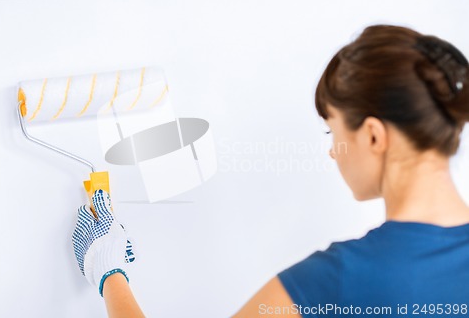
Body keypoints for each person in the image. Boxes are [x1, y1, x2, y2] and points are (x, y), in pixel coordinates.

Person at [71, 24, 469, 317]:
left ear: (373, 137)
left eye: (333, 130)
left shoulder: (339, 279)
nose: (333, 152)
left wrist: (110, 274)